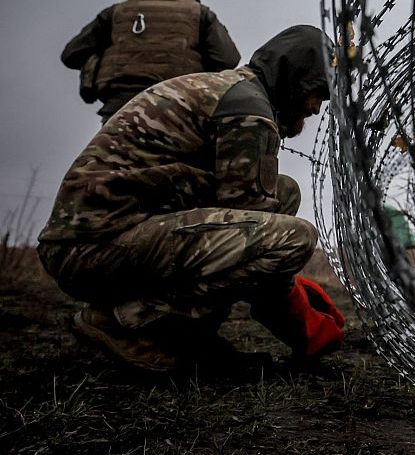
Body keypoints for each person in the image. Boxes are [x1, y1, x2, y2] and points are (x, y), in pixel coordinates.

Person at [35, 25, 342, 374]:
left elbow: (246, 217)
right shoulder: (248, 108)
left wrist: (290, 289)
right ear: (295, 78)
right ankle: (125, 324)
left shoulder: (231, 90)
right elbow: (256, 236)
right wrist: (301, 318)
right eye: (317, 93)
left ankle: (182, 337)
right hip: (93, 248)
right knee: (295, 238)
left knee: (283, 193)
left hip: (99, 237)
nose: (317, 109)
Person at [60, 0, 241, 122]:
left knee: (113, 158)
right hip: (176, 108)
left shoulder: (117, 13)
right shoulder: (199, 14)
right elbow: (228, 60)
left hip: (120, 109)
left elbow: (71, 54)